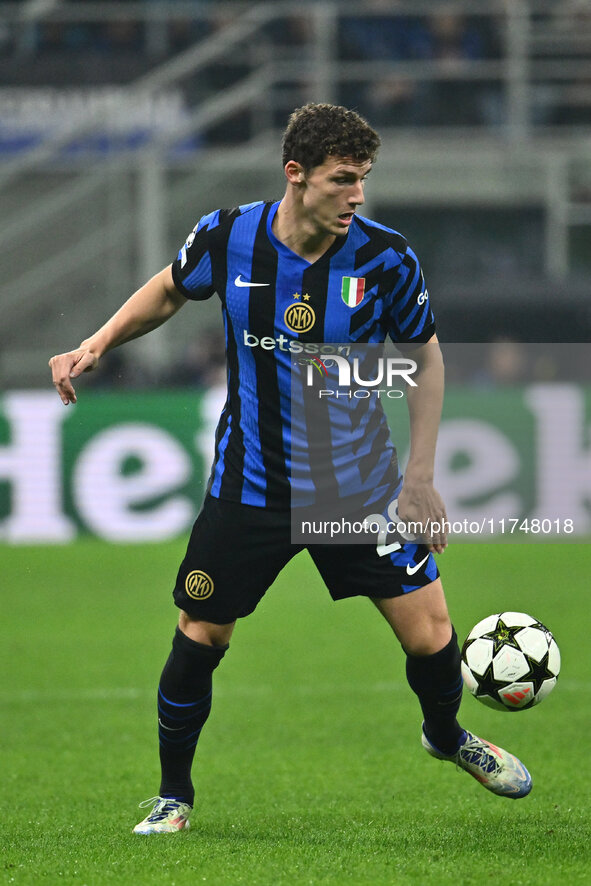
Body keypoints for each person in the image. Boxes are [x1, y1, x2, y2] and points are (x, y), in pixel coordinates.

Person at [49, 103, 532, 835]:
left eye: (364, 179)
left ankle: (445, 735)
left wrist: (420, 477)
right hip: (250, 486)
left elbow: (425, 359)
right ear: (295, 175)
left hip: (359, 486)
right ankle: (173, 797)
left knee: (431, 635)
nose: (357, 195)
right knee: (200, 633)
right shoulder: (228, 234)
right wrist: (98, 341)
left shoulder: (386, 257)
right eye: (343, 179)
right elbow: (173, 287)